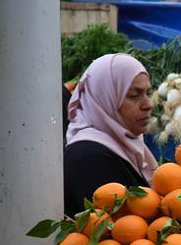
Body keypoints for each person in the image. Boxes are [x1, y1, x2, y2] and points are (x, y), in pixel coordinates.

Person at [64, 53, 156, 218]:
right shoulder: (89, 158)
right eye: (134, 96)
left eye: (148, 93)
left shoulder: (126, 144)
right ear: (105, 97)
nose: (148, 104)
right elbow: (117, 228)